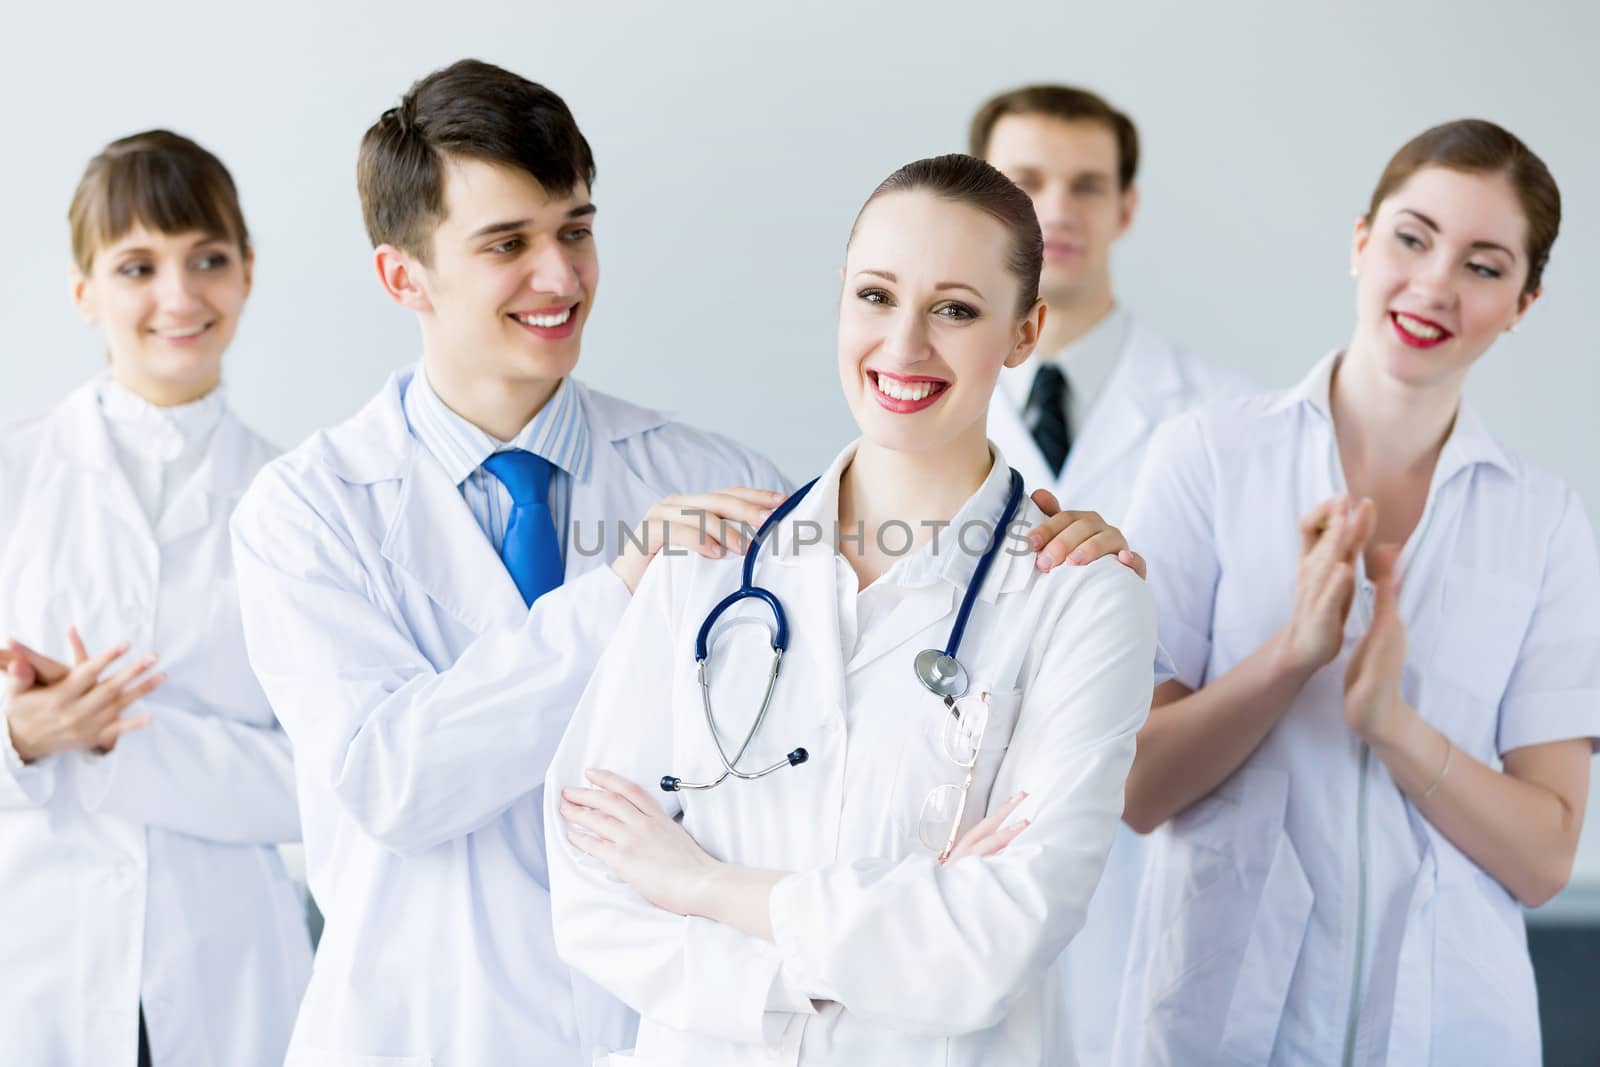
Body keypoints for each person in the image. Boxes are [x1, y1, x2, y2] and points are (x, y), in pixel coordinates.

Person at [229, 63, 1138, 1067]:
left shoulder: (719, 488)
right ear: (404, 276)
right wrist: (617, 590)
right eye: (508, 244)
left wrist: (1038, 533)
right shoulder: (308, 508)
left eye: (575, 229)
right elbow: (389, 782)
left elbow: (877, 656)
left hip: (676, 1033)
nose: (561, 275)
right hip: (433, 1029)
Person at [546, 153, 1158, 1066]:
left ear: (1024, 332)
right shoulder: (707, 570)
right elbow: (596, 889)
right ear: (841, 297)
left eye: (954, 309)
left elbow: (996, 938)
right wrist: (848, 961)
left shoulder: (1080, 599)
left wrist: (703, 884)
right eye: (877, 296)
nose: (904, 347)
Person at [1114, 119, 1597, 1065]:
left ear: (1524, 303)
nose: (1435, 285)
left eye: (1485, 266)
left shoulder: (1545, 522)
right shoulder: (1209, 458)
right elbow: (1135, 787)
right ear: (1361, 241)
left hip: (1454, 1027)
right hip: (1226, 1027)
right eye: (1413, 238)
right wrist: (1293, 657)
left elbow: (1545, 858)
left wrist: (1393, 725)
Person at [0, 130, 310, 1067]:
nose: (179, 297)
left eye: (206, 259)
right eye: (138, 265)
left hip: (232, 969)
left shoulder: (297, 501)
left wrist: (107, 736)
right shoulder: (14, 476)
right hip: (36, 964)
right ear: (84, 289)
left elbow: (322, 783)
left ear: (248, 273)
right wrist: (24, 735)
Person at [971, 83, 1249, 1058]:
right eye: (1027, 181)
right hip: (964, 879)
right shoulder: (915, 413)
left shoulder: (1222, 423)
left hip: (1148, 873)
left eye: (1088, 185)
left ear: (1126, 207)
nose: (1057, 209)